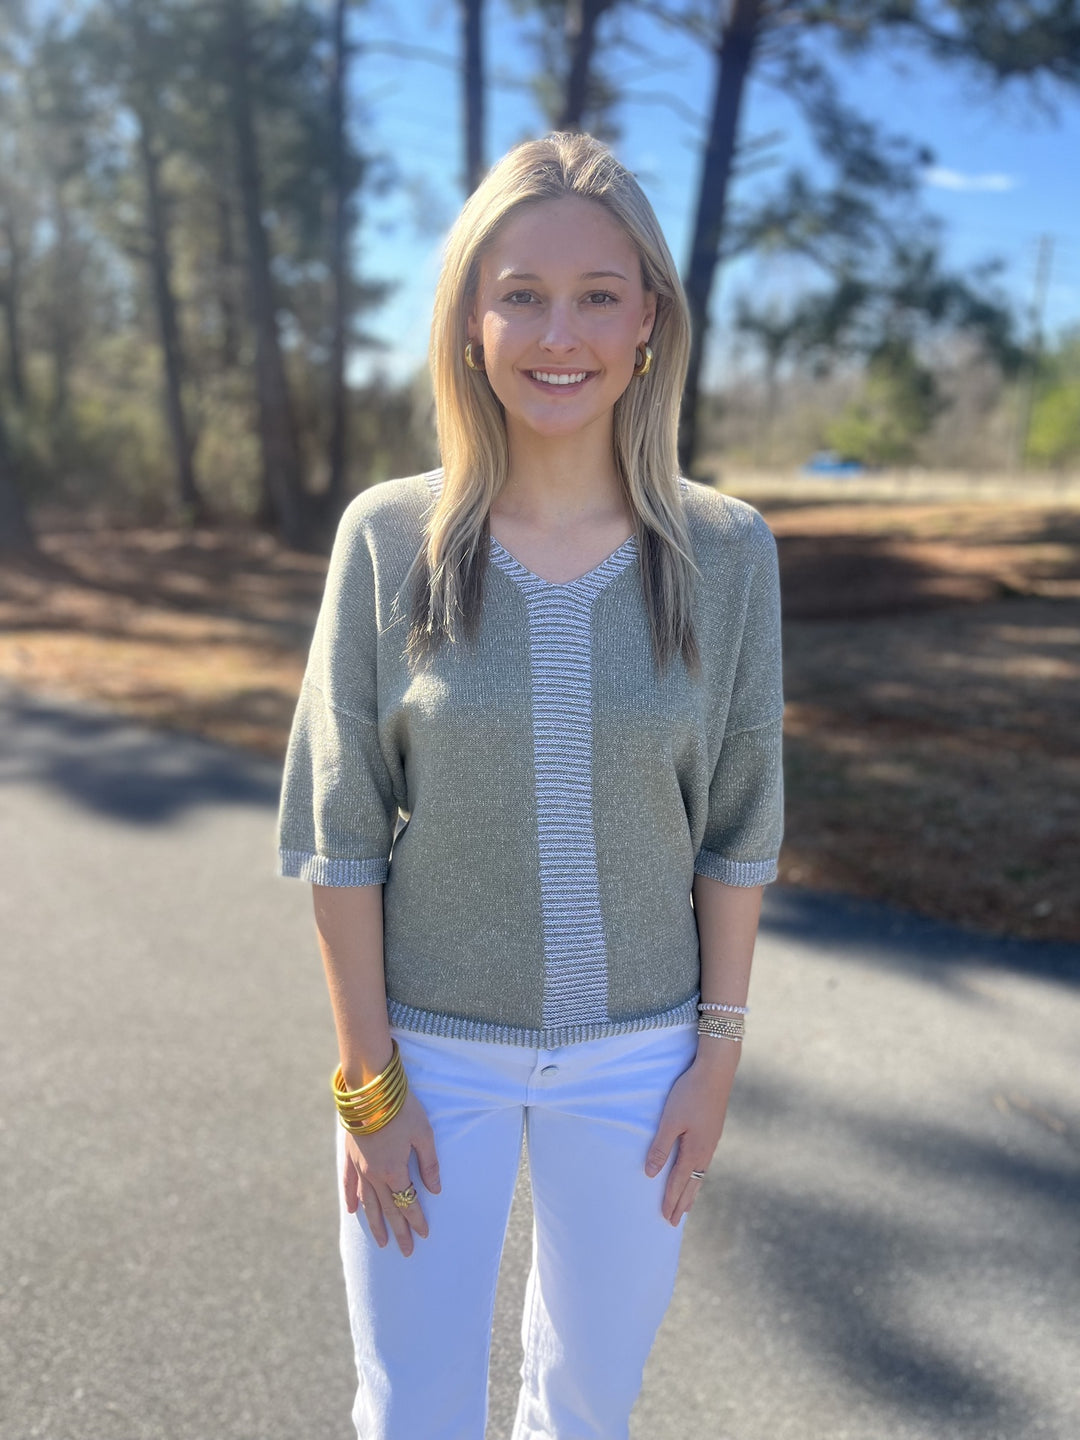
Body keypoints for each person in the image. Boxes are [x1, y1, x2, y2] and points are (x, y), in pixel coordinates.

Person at [276, 130, 784, 1440]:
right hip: (426, 1059)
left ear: (649, 318)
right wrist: (369, 1083)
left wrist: (715, 1059)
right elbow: (339, 831)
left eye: (598, 295)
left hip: (640, 1066)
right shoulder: (388, 539)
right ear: (470, 318)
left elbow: (737, 827)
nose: (561, 335)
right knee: (413, 1411)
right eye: (522, 294)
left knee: (587, 1410)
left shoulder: (726, 552)